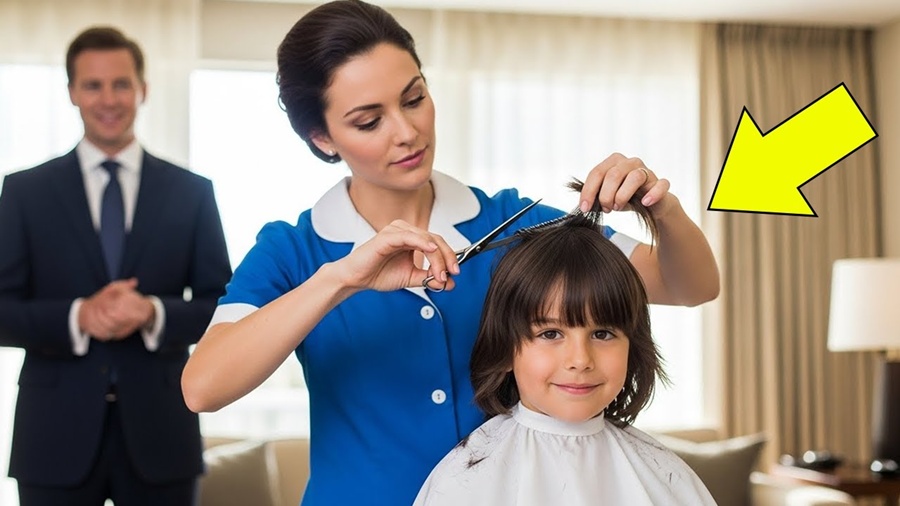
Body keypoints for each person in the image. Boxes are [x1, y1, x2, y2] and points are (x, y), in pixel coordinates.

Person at [181, 1, 719, 504]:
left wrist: (660, 207)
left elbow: (689, 286)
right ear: (322, 137)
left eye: (414, 98)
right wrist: (342, 279)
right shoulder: (292, 251)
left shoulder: (515, 222)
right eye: (370, 121)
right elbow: (203, 388)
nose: (408, 131)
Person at [0, 26, 232, 506]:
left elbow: (224, 306)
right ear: (71, 93)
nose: (109, 99)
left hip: (162, 432)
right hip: (52, 436)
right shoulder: (24, 192)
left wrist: (153, 313)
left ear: (143, 89)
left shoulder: (192, 193)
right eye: (93, 85)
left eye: (121, 84)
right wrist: (77, 316)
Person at [413, 205, 716, 505]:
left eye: (602, 334)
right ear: (506, 349)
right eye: (551, 334)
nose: (580, 360)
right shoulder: (462, 483)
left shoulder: (664, 474)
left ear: (632, 346)